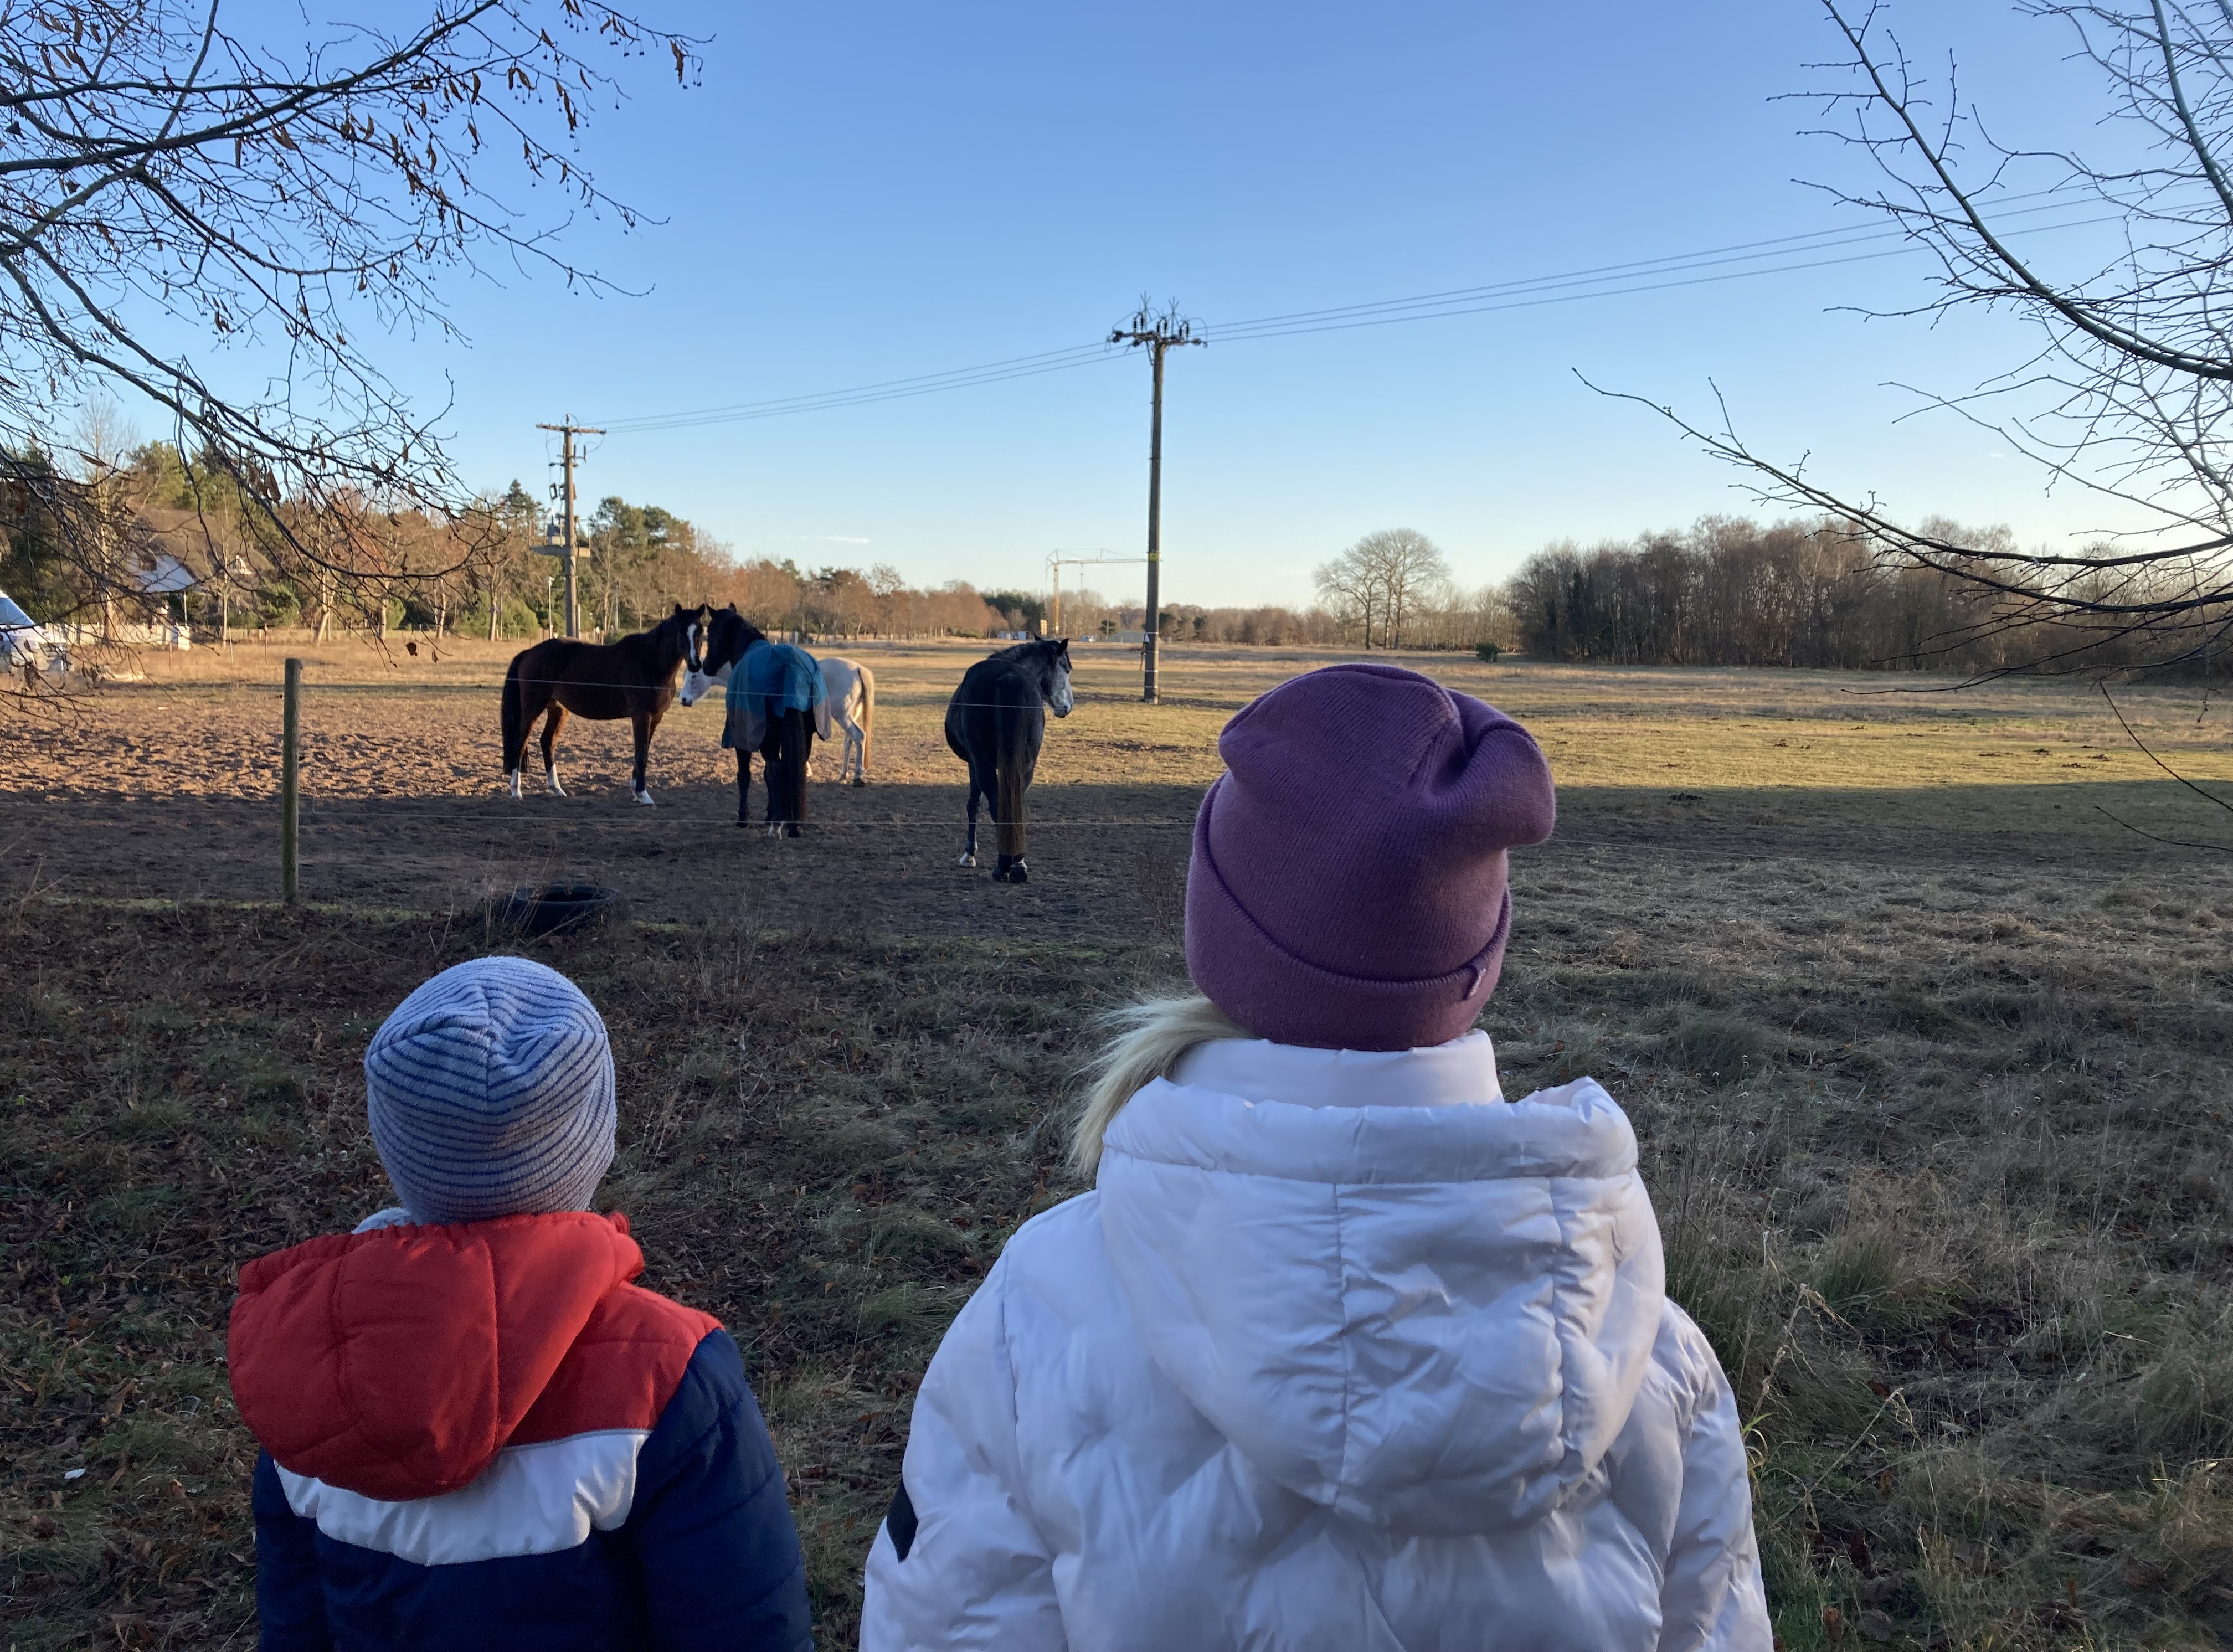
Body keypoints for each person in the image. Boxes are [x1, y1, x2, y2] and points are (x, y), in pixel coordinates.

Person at [861, 663, 1772, 1651]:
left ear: (1220, 938)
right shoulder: (1648, 1351)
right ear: (1474, 958)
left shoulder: (1035, 1310)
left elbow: (946, 1623)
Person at [228, 956, 813, 1652]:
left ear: (395, 1145)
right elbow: (743, 1630)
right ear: (593, 1141)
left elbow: (295, 1626)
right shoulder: (673, 1375)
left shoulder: (303, 1356)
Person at [724, 635, 829, 837]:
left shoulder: (747, 663)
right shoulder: (805, 660)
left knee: (772, 760)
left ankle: (776, 818)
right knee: (795, 759)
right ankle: (793, 822)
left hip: (766, 695)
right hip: (804, 683)